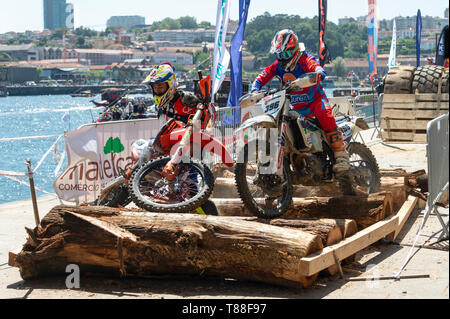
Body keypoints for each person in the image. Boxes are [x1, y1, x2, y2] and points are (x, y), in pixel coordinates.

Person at [251, 29, 350, 173]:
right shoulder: (277, 66)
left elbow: (317, 68)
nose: (282, 57)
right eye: (279, 54)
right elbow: (261, 77)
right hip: (295, 106)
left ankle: (341, 156)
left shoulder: (305, 60)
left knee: (325, 115)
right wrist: (255, 90)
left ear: (295, 49)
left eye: (285, 54)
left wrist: (318, 74)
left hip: (315, 101)